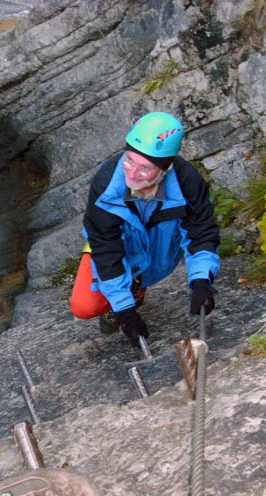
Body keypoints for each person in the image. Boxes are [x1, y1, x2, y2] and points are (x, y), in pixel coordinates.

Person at [70, 111, 220, 345]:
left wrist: (201, 280)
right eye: (129, 160)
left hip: (159, 246)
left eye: (144, 168)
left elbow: (200, 232)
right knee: (84, 306)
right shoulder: (106, 183)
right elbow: (105, 246)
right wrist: (124, 310)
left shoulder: (187, 182)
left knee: (149, 266)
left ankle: (137, 288)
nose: (132, 173)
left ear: (165, 168)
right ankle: (130, 294)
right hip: (115, 245)